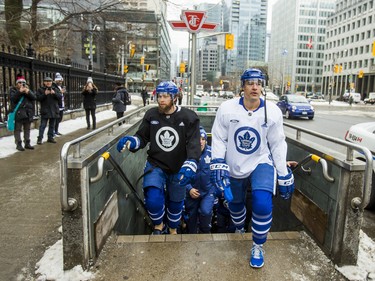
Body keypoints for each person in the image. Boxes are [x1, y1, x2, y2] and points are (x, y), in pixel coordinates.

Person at [210, 68, 295, 268]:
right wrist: (217, 162)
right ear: (242, 86)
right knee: (236, 204)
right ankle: (239, 227)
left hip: (261, 161)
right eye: (250, 83)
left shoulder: (272, 111)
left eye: (258, 83)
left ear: (262, 86)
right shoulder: (227, 108)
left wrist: (282, 172)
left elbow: (277, 143)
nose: (255, 87)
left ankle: (258, 245)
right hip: (235, 163)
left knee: (262, 204)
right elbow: (220, 137)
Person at [116, 81, 201, 235]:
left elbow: (194, 143)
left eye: (166, 96)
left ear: (174, 97)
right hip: (156, 164)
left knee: (176, 203)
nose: (162, 99)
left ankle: (173, 229)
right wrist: (132, 142)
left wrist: (192, 162)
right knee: (153, 198)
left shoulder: (188, 117)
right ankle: (159, 226)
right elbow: (142, 137)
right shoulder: (152, 114)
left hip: (179, 166)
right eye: (159, 96)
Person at [184, 126, 215, 234]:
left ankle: (206, 233)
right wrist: (189, 189)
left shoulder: (212, 153)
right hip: (192, 193)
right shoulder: (186, 154)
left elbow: (217, 172)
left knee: (205, 212)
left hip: (207, 192)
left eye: (203, 139)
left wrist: (214, 189)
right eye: (198, 139)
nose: (201, 142)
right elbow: (180, 175)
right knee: (191, 221)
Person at [9, 74, 37, 151]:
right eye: (19, 82)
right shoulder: (13, 90)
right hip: (19, 113)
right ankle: (18, 144)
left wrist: (28, 92)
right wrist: (19, 92)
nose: (21, 84)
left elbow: (34, 98)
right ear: (16, 83)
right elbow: (13, 99)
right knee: (17, 129)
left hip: (28, 113)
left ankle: (27, 143)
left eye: (23, 82)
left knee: (27, 129)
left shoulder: (28, 90)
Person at [36, 76, 62, 144]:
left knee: (52, 125)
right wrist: (44, 94)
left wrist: (54, 93)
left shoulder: (55, 89)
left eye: (50, 81)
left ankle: (50, 137)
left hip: (54, 110)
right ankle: (40, 138)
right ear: (44, 82)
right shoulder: (41, 90)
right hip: (45, 110)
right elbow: (38, 98)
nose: (48, 83)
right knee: (43, 125)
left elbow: (60, 97)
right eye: (47, 81)